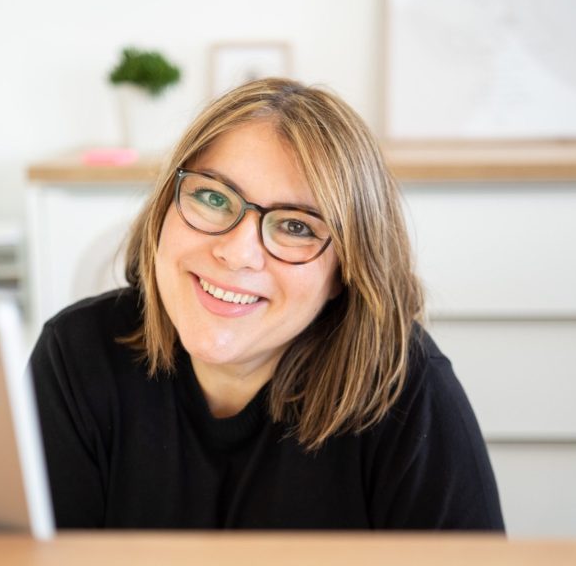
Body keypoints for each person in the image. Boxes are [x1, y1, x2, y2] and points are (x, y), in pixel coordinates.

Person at [30, 78, 504, 530]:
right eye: (214, 197)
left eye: (296, 226)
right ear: (164, 210)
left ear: (346, 270)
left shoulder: (407, 392)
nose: (236, 253)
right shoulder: (76, 356)